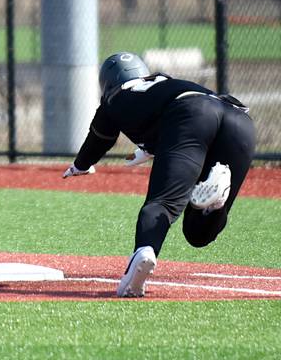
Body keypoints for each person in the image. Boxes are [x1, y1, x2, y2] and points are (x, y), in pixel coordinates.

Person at [62, 52, 256, 297]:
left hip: (191, 114)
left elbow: (99, 138)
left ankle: (144, 254)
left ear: (108, 82)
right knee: (198, 234)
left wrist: (80, 165)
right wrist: (147, 149)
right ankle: (213, 204)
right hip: (239, 118)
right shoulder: (162, 82)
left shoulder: (115, 95)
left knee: (162, 203)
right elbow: (169, 123)